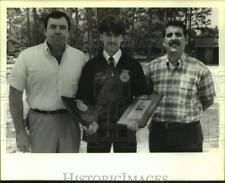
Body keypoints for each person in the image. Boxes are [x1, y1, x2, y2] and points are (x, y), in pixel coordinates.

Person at [9, 11, 97, 153]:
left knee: (66, 170)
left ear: (68, 31)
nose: (58, 31)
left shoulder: (80, 57)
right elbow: (14, 94)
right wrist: (20, 132)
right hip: (40, 122)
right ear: (45, 30)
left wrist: (90, 119)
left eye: (62, 27)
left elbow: (87, 93)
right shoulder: (27, 56)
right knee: (42, 171)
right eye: (53, 27)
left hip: (71, 122)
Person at [76, 15, 148, 153]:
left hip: (126, 130)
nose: (113, 40)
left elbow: (142, 97)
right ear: (101, 37)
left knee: (126, 171)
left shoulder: (133, 65)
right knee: (96, 172)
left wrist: (136, 120)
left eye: (117, 35)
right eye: (108, 35)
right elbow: (83, 98)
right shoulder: (90, 66)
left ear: (122, 38)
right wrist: (89, 121)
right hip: (97, 129)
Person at [146, 21, 215, 152]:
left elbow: (208, 100)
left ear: (186, 40)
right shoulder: (151, 68)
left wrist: (188, 114)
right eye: (169, 35)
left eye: (178, 34)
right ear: (164, 41)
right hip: (159, 134)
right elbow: (145, 98)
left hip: (189, 135)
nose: (173, 38)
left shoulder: (200, 68)